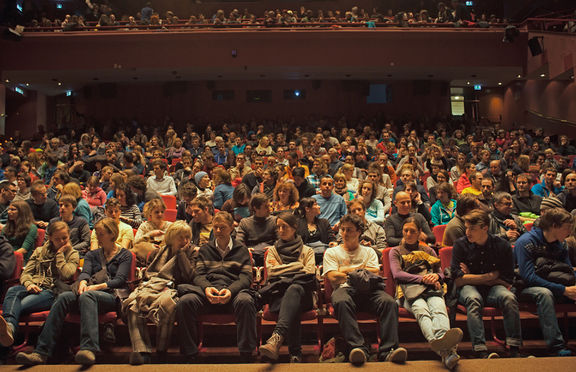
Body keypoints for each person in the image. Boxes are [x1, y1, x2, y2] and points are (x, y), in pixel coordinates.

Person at [16, 218, 132, 366]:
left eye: (100, 234)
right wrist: (83, 281)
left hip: (111, 296)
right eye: (96, 233)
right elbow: (85, 273)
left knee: (88, 295)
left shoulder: (125, 255)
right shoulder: (92, 255)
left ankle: (88, 349)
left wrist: (96, 287)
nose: (96, 237)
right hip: (88, 293)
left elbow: (120, 280)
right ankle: (41, 352)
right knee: (64, 297)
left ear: (112, 234)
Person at [323, 214, 407, 365]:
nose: (344, 233)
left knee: (390, 302)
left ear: (358, 232)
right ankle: (359, 348)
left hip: (370, 291)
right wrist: (361, 271)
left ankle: (388, 351)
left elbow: (374, 273)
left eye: (349, 230)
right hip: (345, 290)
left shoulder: (368, 252)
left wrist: (346, 270)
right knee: (341, 300)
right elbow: (333, 277)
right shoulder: (332, 252)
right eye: (342, 230)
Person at [176, 211, 257, 362]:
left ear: (231, 228)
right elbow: (198, 276)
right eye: (215, 227)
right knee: (185, 302)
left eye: (222, 227)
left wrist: (230, 291)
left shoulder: (241, 250)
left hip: (233, 294)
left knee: (246, 301)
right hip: (208, 294)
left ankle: (246, 353)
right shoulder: (205, 249)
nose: (218, 231)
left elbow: (246, 278)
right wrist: (207, 288)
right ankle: (189, 353)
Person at [389, 218, 462, 369]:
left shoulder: (428, 250)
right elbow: (397, 275)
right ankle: (447, 352)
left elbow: (441, 274)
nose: (408, 234)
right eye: (405, 231)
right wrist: (423, 279)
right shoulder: (395, 251)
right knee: (423, 312)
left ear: (420, 233)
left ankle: (444, 351)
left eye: (412, 231)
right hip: (408, 292)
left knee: (439, 310)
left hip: (431, 288)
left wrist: (436, 276)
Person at [450, 209, 522, 359]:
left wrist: (470, 275)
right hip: (470, 288)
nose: (468, 232)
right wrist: (489, 276)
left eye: (472, 229)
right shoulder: (460, 245)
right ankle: (480, 349)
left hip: (495, 288)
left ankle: (514, 347)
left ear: (485, 228)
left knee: (509, 297)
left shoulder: (502, 245)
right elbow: (458, 280)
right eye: (467, 228)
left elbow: (507, 280)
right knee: (473, 299)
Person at [125, 221, 197, 365]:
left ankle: (161, 350)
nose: (184, 241)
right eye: (180, 237)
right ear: (171, 237)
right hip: (152, 285)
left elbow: (190, 276)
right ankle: (142, 351)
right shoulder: (158, 252)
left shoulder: (192, 252)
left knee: (167, 304)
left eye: (187, 237)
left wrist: (181, 254)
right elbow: (137, 247)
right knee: (133, 303)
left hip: (174, 288)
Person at [0, 221, 79, 348]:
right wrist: (29, 284)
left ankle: (9, 333)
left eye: (65, 238)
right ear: (50, 238)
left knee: (16, 306)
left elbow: (67, 274)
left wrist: (59, 254)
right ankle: (8, 330)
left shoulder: (72, 253)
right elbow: (26, 273)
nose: (62, 241)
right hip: (32, 287)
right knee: (12, 291)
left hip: (50, 291)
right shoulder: (39, 251)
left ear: (69, 236)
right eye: (57, 239)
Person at [514, 208, 575, 357]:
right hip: (524, 287)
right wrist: (563, 290)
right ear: (554, 226)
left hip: (554, 284)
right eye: (567, 227)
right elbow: (528, 277)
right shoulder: (526, 242)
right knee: (544, 294)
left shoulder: (562, 244)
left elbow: (568, 271)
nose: (570, 231)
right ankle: (556, 346)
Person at [259, 213, 316, 362]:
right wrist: (298, 267)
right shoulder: (272, 250)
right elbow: (271, 272)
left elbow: (309, 272)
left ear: (294, 227)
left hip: (305, 297)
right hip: (279, 296)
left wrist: (283, 271)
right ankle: (295, 354)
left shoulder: (307, 250)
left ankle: (276, 339)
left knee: (294, 290)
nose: (281, 230)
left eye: (285, 226)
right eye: (278, 227)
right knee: (292, 297)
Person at [236, 193, 277, 266]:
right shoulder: (245, 222)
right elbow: (239, 241)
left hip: (270, 253)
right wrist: (245, 250)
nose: (269, 209)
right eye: (266, 207)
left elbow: (280, 240)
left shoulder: (274, 221)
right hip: (252, 254)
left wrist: (274, 247)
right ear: (255, 208)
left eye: (269, 206)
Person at [295, 198, 336, 264]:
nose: (319, 207)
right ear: (307, 209)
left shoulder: (324, 222)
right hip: (304, 256)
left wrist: (333, 242)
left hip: (323, 255)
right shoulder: (297, 224)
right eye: (316, 205)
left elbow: (331, 238)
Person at [133, 199, 171, 265]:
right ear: (150, 213)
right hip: (147, 255)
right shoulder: (144, 226)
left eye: (162, 212)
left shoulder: (170, 226)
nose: (160, 214)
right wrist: (150, 234)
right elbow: (135, 242)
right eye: (157, 212)